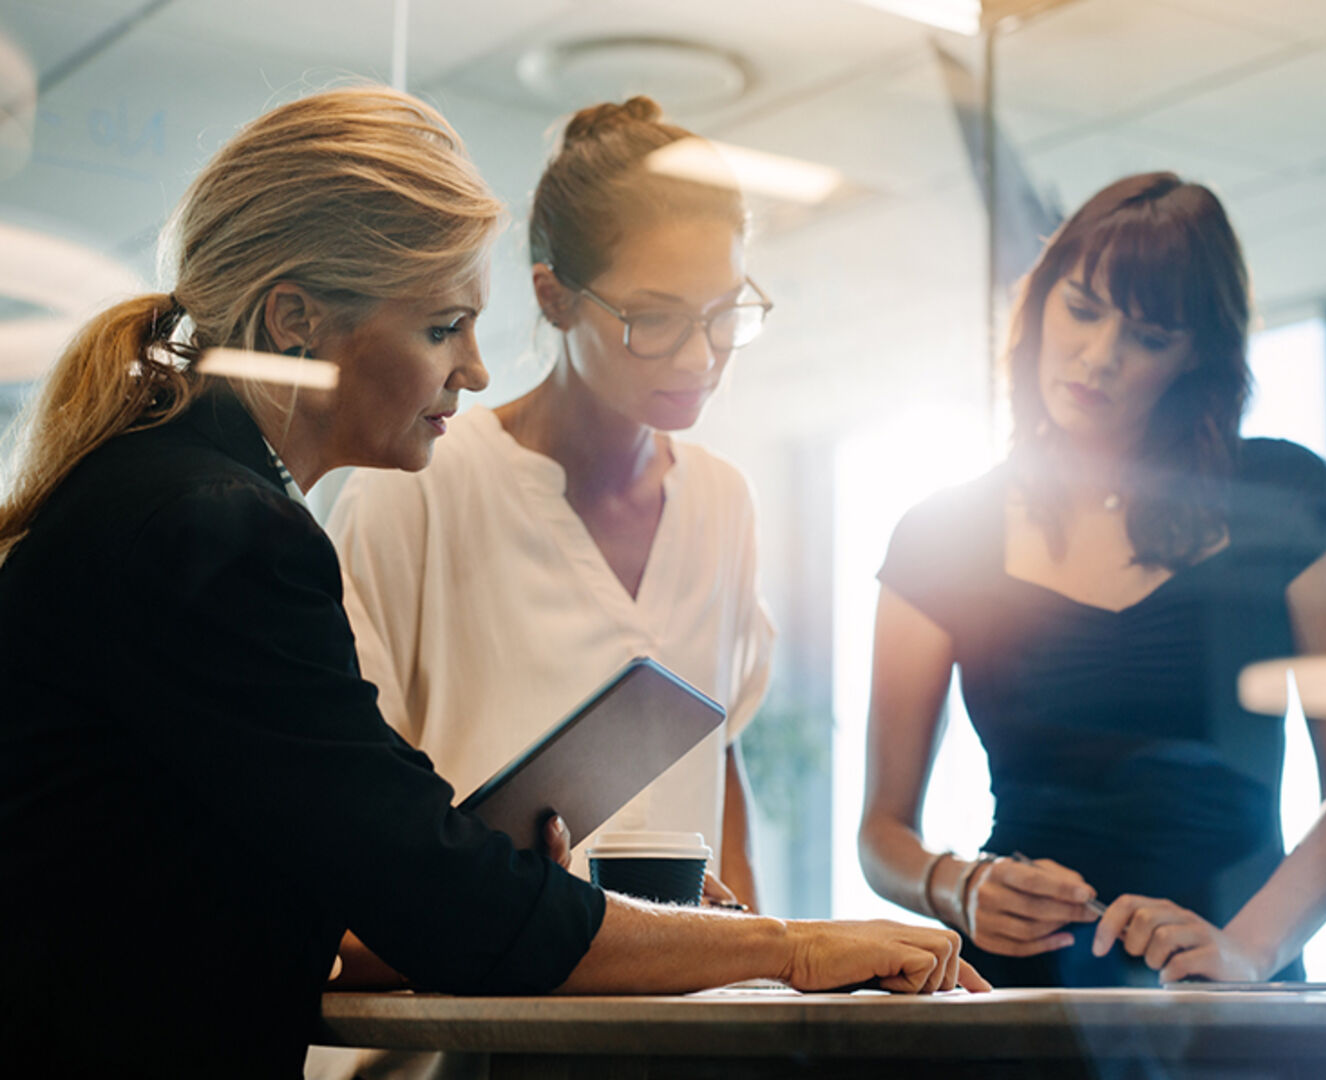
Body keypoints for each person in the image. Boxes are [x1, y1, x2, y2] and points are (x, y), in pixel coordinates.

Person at [0, 86, 981, 1080]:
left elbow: (320, 883)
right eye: (443, 327)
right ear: (294, 319)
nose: (471, 369)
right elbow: (444, 898)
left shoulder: (171, 494)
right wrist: (791, 949)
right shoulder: (223, 529)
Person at [858, 172, 1326, 989]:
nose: (1098, 358)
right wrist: (955, 886)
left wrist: (1245, 951)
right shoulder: (939, 535)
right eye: (1081, 309)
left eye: (1147, 337)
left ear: (1194, 360)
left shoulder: (1286, 499)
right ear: (1038, 303)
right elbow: (881, 832)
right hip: (1019, 999)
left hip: (1232, 992)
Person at [325, 96, 769, 909]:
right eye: (655, 318)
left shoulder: (721, 503)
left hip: (676, 1012)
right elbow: (352, 796)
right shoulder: (418, 485)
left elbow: (716, 762)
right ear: (555, 297)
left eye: (724, 314)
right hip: (466, 1007)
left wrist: (761, 964)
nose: (701, 355)